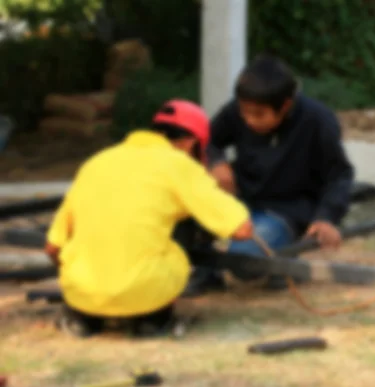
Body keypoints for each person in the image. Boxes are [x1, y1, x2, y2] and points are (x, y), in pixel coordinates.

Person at [44, 99, 253, 338]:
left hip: (81, 290)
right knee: (178, 242)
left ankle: (84, 319)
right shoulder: (179, 164)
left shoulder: (96, 162)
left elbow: (52, 247)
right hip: (145, 292)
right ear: (191, 143)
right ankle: (153, 319)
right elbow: (242, 230)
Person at [207, 55, 355, 289]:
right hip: (242, 198)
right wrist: (216, 162)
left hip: (287, 210)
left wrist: (326, 217)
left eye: (258, 115)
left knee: (243, 262)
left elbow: (339, 175)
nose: (248, 120)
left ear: (285, 105)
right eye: (244, 112)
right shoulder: (240, 108)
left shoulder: (318, 120)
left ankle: (283, 259)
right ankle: (205, 274)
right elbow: (207, 139)